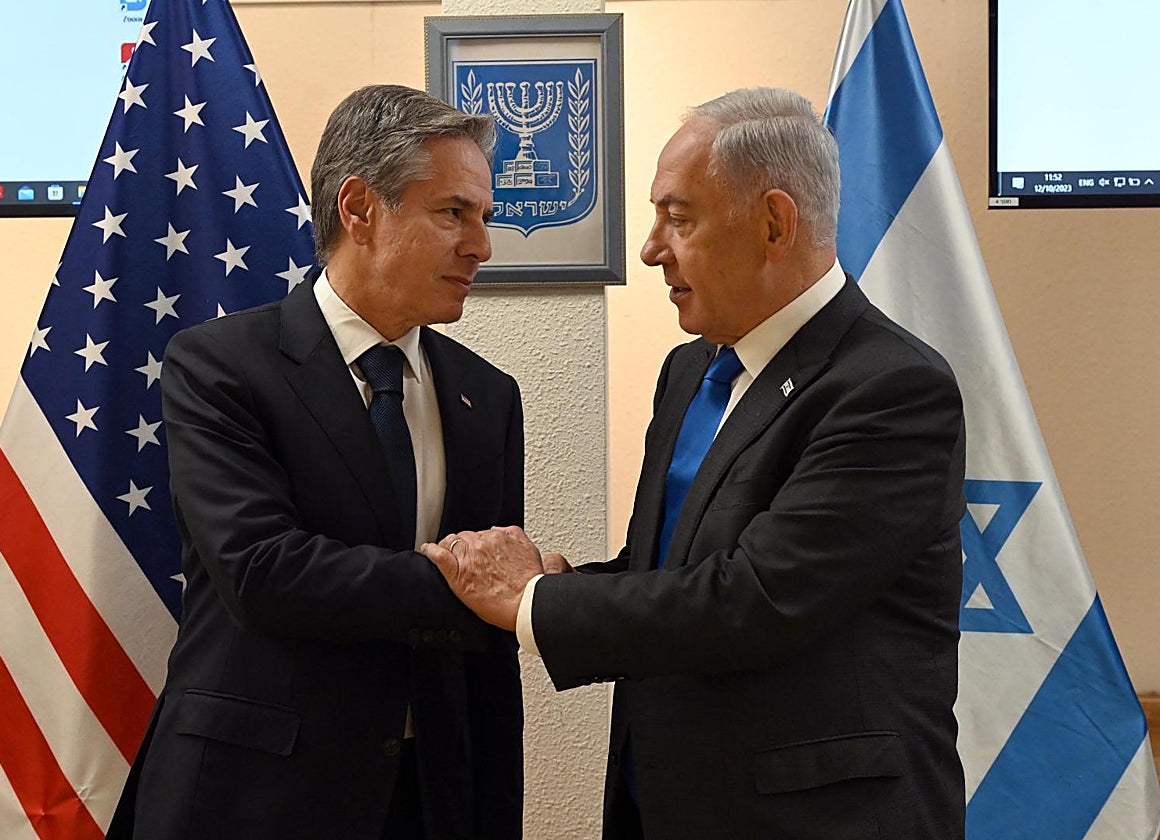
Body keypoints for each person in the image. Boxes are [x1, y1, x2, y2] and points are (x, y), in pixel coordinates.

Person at [423, 87, 966, 840]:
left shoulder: (890, 389)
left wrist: (534, 601)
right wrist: (568, 582)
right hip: (666, 802)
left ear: (775, 223)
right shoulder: (691, 371)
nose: (651, 248)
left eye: (679, 218)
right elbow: (681, 569)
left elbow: (757, 598)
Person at [108, 85, 524, 840]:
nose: (481, 246)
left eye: (484, 218)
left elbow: (484, 655)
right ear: (360, 208)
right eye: (453, 213)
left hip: (428, 802)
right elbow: (263, 572)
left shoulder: (486, 398)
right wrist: (475, 582)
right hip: (252, 798)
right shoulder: (218, 367)